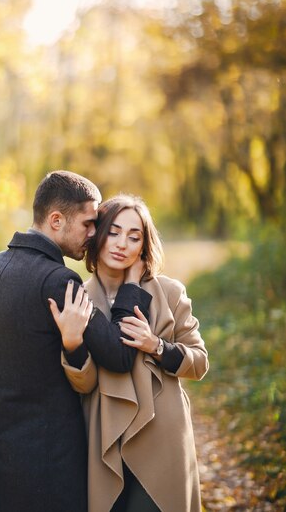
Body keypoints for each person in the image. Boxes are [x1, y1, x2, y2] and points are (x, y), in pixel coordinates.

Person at [0, 172, 152, 512]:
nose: (94, 235)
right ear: (55, 220)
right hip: (47, 469)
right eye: (88, 224)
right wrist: (131, 285)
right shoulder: (59, 281)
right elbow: (120, 354)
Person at [51, 194, 209, 512]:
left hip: (162, 438)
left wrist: (158, 346)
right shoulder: (78, 297)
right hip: (105, 439)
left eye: (134, 236)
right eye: (114, 232)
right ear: (97, 235)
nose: (122, 243)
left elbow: (199, 363)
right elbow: (84, 384)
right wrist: (72, 345)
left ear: (143, 246)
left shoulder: (170, 292)